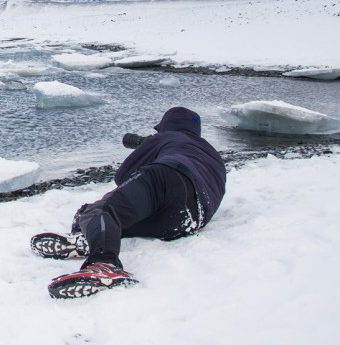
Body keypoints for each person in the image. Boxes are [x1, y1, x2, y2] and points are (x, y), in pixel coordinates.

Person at [31, 106, 227, 299]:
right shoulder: (212, 154)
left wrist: (146, 147)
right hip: (190, 219)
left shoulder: (167, 137)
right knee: (119, 220)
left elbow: (122, 176)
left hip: (166, 178)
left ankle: (104, 263)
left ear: (168, 126)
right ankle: (96, 237)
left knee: (99, 210)